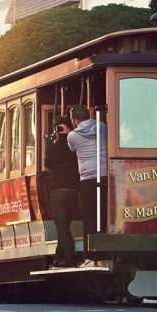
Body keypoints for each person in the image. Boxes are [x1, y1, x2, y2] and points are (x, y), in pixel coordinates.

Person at [61, 105, 108, 247]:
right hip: (106, 175)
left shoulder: (72, 136)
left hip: (87, 180)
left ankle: (91, 255)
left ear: (75, 120)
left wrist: (69, 132)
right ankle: (107, 250)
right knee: (105, 215)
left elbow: (72, 148)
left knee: (89, 218)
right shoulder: (103, 127)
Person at [44, 116, 80, 268]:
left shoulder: (52, 148)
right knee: (63, 225)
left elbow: (48, 165)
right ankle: (59, 256)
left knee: (62, 226)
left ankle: (69, 258)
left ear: (57, 129)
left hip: (58, 192)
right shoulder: (76, 146)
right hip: (74, 191)